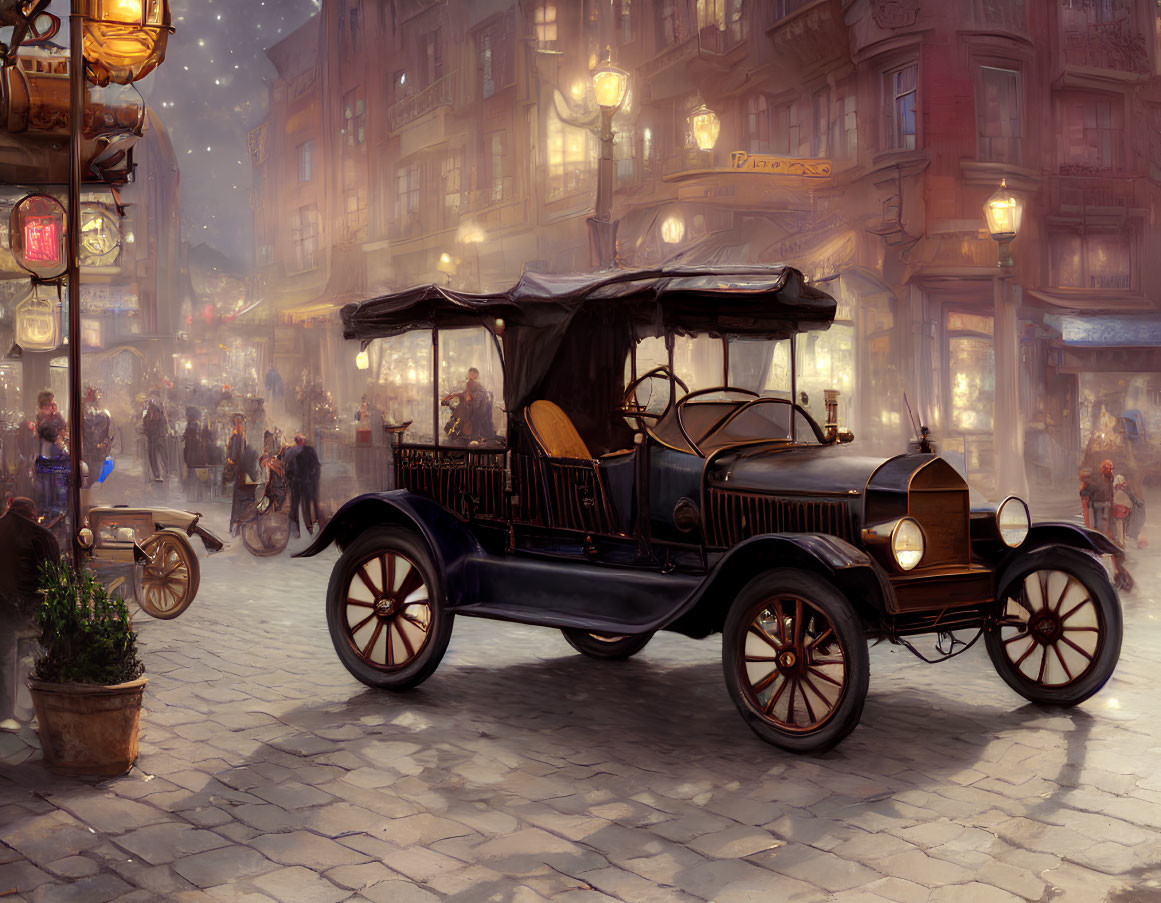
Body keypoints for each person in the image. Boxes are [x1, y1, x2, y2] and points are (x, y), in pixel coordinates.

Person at [0, 496, 61, 731]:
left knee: (5, 653)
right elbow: (53, 581)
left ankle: (5, 712)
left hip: (3, 609)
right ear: (33, 513)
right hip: (28, 611)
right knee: (47, 647)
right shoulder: (42, 536)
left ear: (10, 508)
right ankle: (37, 708)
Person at [283, 432, 320, 538]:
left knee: (301, 506)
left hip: (301, 482)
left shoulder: (295, 451)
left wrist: (311, 479)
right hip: (300, 483)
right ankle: (303, 529)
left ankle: (302, 529)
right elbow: (315, 467)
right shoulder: (298, 451)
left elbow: (315, 467)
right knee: (300, 506)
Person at [142, 390, 168, 482]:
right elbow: (145, 421)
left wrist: (162, 433)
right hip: (152, 436)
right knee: (153, 455)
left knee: (161, 454)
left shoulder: (160, 409)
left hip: (158, 435)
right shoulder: (149, 409)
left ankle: (163, 473)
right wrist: (146, 429)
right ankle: (157, 474)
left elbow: (163, 422)